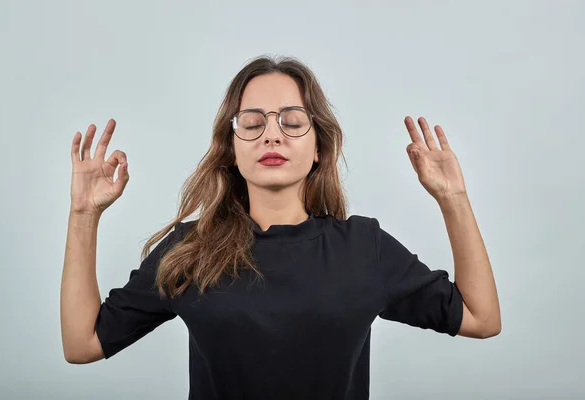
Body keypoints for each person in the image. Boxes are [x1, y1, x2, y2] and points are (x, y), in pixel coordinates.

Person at [60, 55, 501, 399]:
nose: (272, 136)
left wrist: (453, 199)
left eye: (292, 122)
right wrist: (83, 215)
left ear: (318, 151)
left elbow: (481, 318)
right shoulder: (189, 252)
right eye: (252, 123)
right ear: (232, 150)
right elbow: (82, 344)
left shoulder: (364, 248)